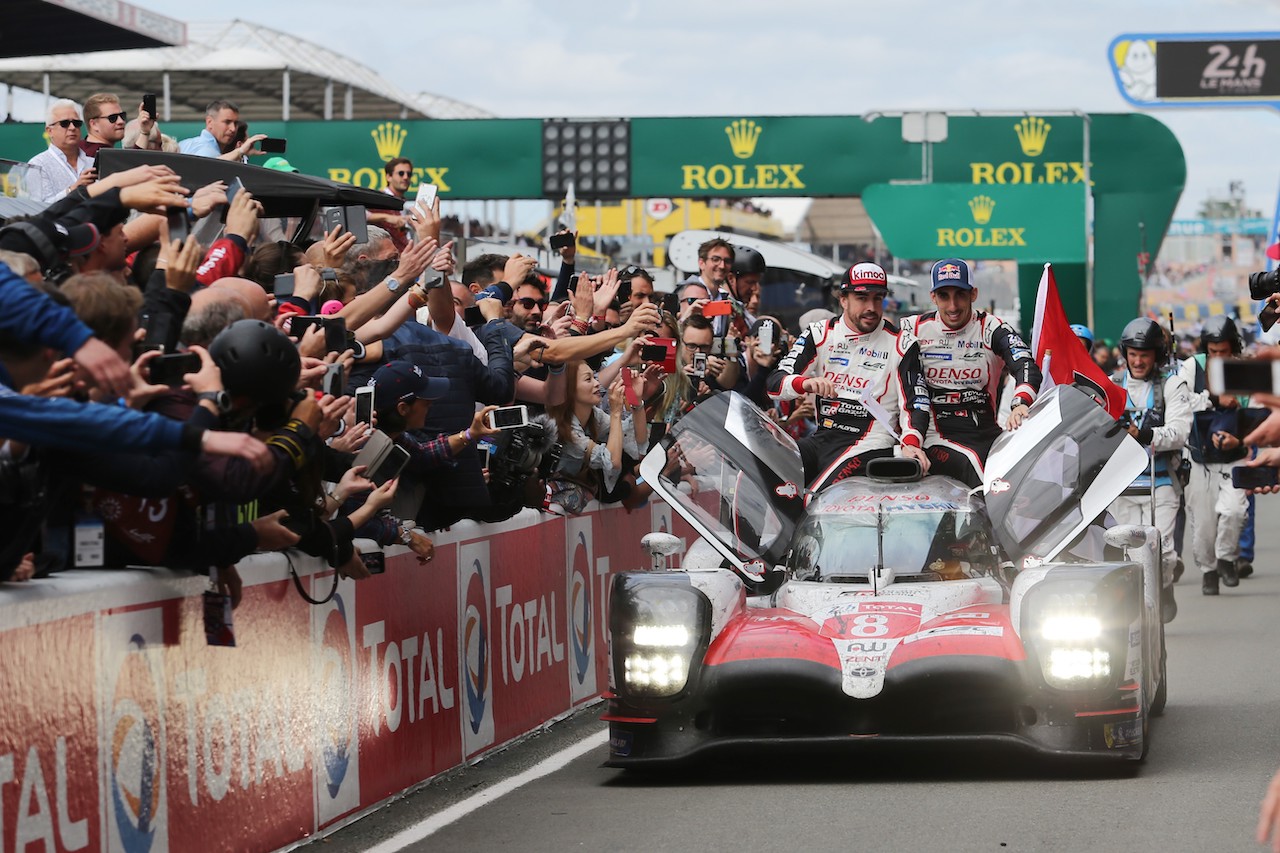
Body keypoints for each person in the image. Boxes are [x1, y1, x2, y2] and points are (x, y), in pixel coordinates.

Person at [767, 262, 931, 490]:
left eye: (877, 298)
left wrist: (912, 443)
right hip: (823, 436)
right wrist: (805, 383)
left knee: (816, 494)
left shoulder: (902, 343)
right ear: (843, 299)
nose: (871, 307)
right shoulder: (819, 333)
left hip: (871, 444)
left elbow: (916, 405)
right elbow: (775, 384)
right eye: (862, 298)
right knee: (770, 469)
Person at [899, 258, 1041, 487]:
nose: (953, 306)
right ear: (933, 296)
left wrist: (1021, 402)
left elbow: (1025, 363)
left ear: (973, 294)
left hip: (983, 433)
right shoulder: (912, 328)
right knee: (975, 469)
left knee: (1019, 479)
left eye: (960, 295)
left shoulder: (991, 327)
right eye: (944, 296)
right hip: (933, 433)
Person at [1107, 317, 1191, 619]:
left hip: (1163, 480)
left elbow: (1180, 431)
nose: (1138, 360)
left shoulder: (1172, 383)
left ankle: (1165, 585)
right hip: (1122, 485)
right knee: (1131, 555)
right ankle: (1141, 614)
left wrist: (1142, 435)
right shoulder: (1111, 385)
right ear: (1125, 353)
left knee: (1164, 555)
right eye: (1133, 354)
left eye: (1144, 354)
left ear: (1156, 354)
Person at [1178, 315, 1249, 595]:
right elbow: (1181, 402)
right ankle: (1208, 570)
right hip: (1199, 456)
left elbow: (1256, 409)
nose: (1218, 356)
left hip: (1235, 454)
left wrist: (1241, 438)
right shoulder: (1190, 366)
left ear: (1234, 348)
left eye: (1224, 351)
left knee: (1234, 512)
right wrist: (1215, 399)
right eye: (1213, 351)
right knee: (1203, 523)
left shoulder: (1244, 369)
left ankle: (1227, 558)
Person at [28, 99, 94, 203]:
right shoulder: (37, 165)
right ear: (49, 131)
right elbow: (40, 208)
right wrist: (73, 189)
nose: (72, 128)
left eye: (76, 123)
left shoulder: (93, 163)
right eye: (65, 123)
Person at [80, 93, 126, 160]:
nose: (120, 121)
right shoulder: (104, 156)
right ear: (94, 124)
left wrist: (144, 133)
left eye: (122, 116)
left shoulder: (77, 150)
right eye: (112, 118)